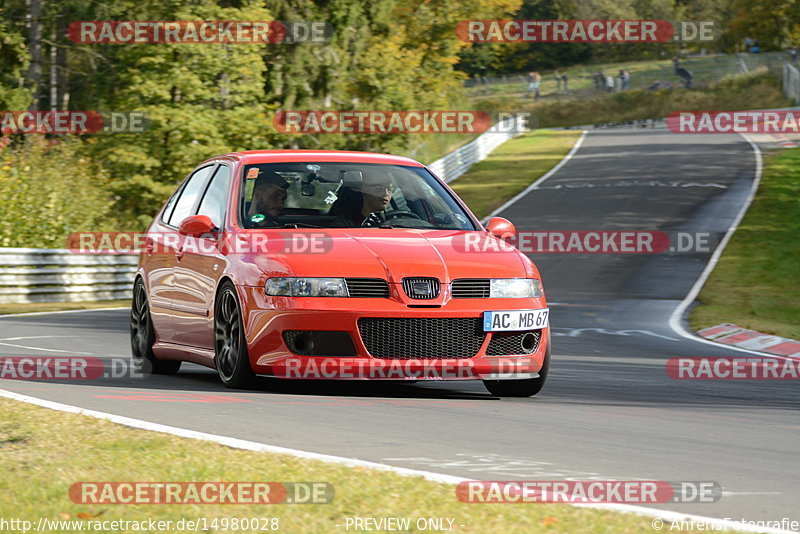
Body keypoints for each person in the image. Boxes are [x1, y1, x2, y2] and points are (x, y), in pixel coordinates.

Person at [329, 169, 395, 227]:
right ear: (364, 189)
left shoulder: (395, 223)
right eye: (379, 188)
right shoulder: (344, 226)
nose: (386, 193)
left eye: (390, 189)